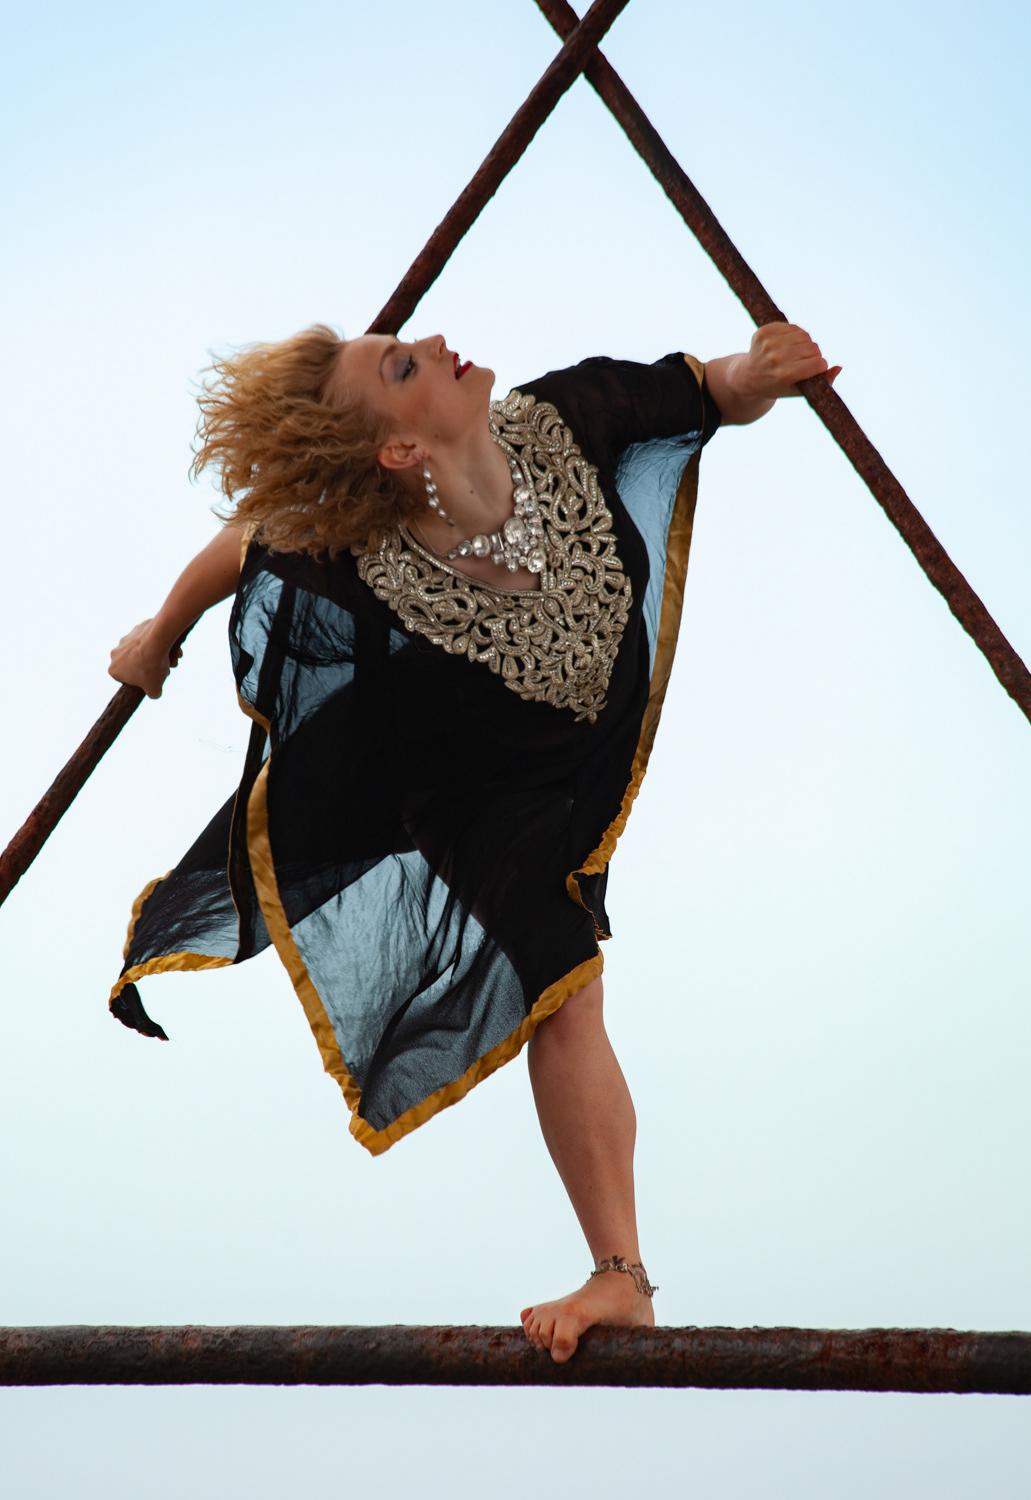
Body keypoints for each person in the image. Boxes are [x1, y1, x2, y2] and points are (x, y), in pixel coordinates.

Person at [108, 322, 837, 1362]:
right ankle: (620, 1277)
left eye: (405, 343)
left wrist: (761, 374)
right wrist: (158, 633)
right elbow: (245, 541)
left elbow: (711, 391)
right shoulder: (355, 550)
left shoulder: (571, 417)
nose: (438, 341)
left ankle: (616, 1271)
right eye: (402, 366)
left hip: (579, 745)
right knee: (566, 986)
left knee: (569, 974)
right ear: (398, 452)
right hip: (462, 788)